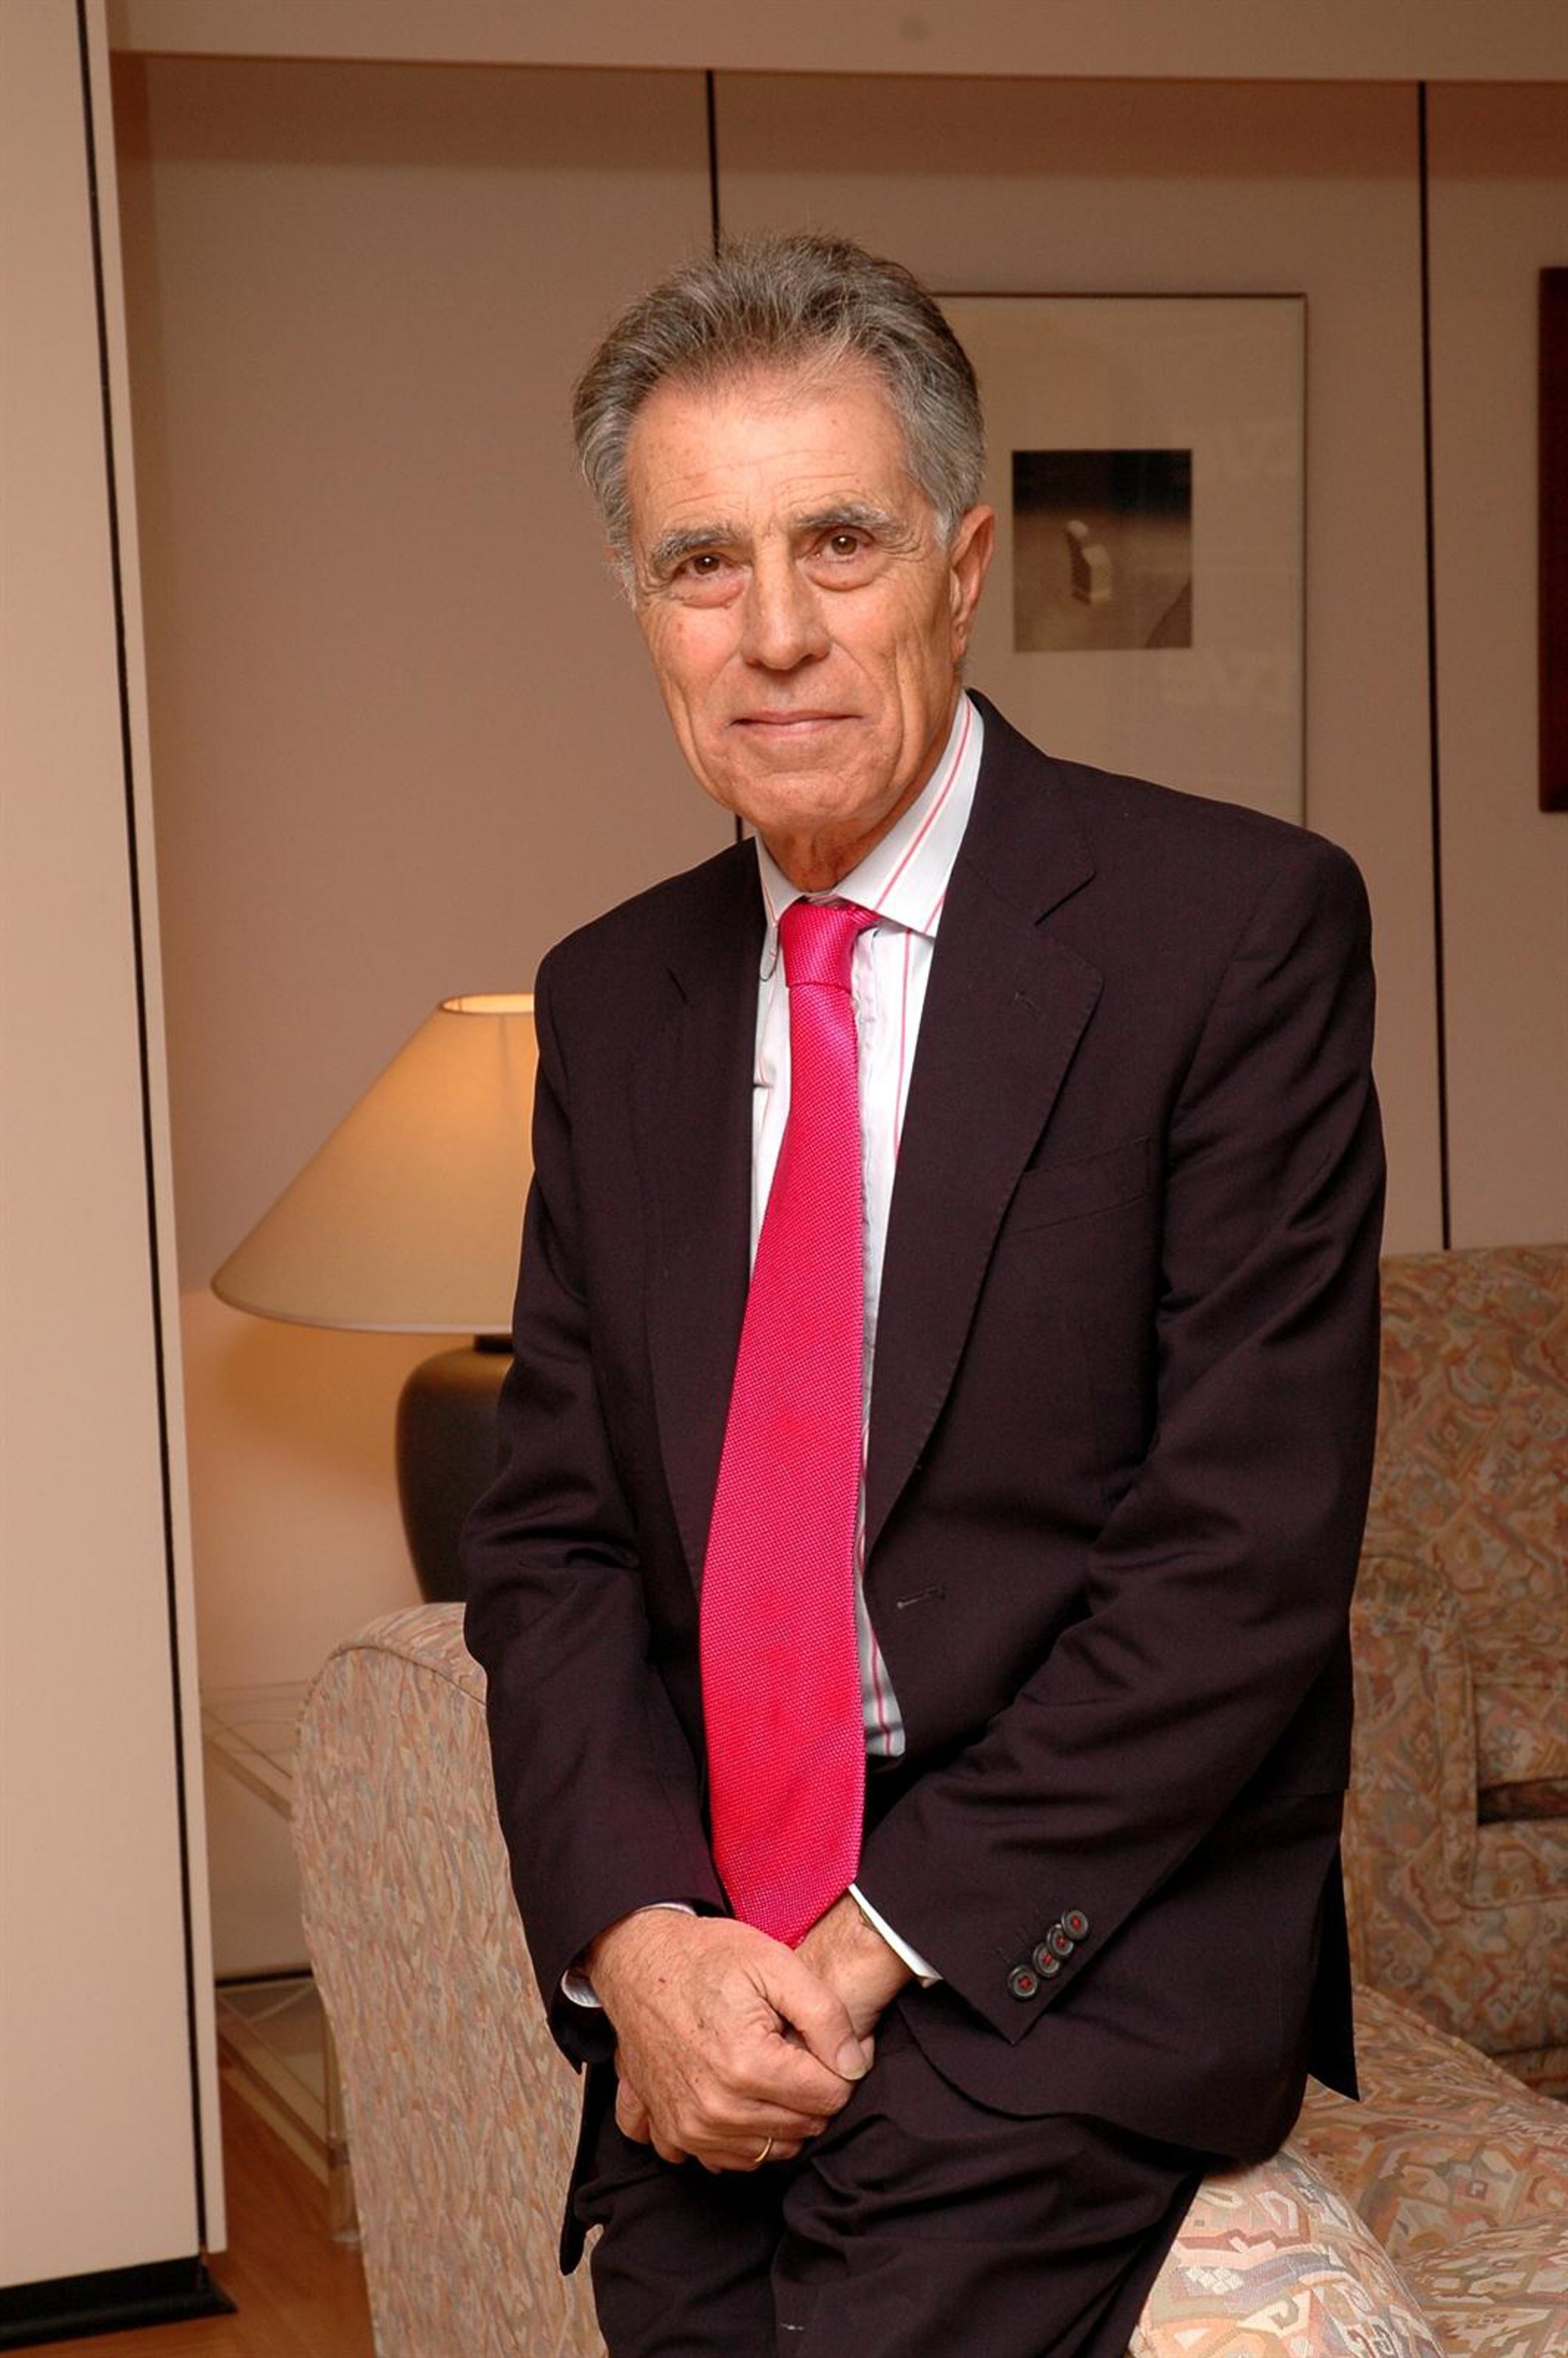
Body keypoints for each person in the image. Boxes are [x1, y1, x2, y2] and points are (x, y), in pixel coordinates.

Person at [461, 232, 1385, 2358]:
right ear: (641, 610)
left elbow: (1240, 1558)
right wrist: (643, 1942)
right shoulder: (612, 1000)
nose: (775, 631)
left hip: (1062, 1938)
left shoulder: (1231, 935)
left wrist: (873, 1946)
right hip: (719, 1947)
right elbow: (554, 1542)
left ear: (965, 568)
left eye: (841, 542)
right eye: (704, 564)